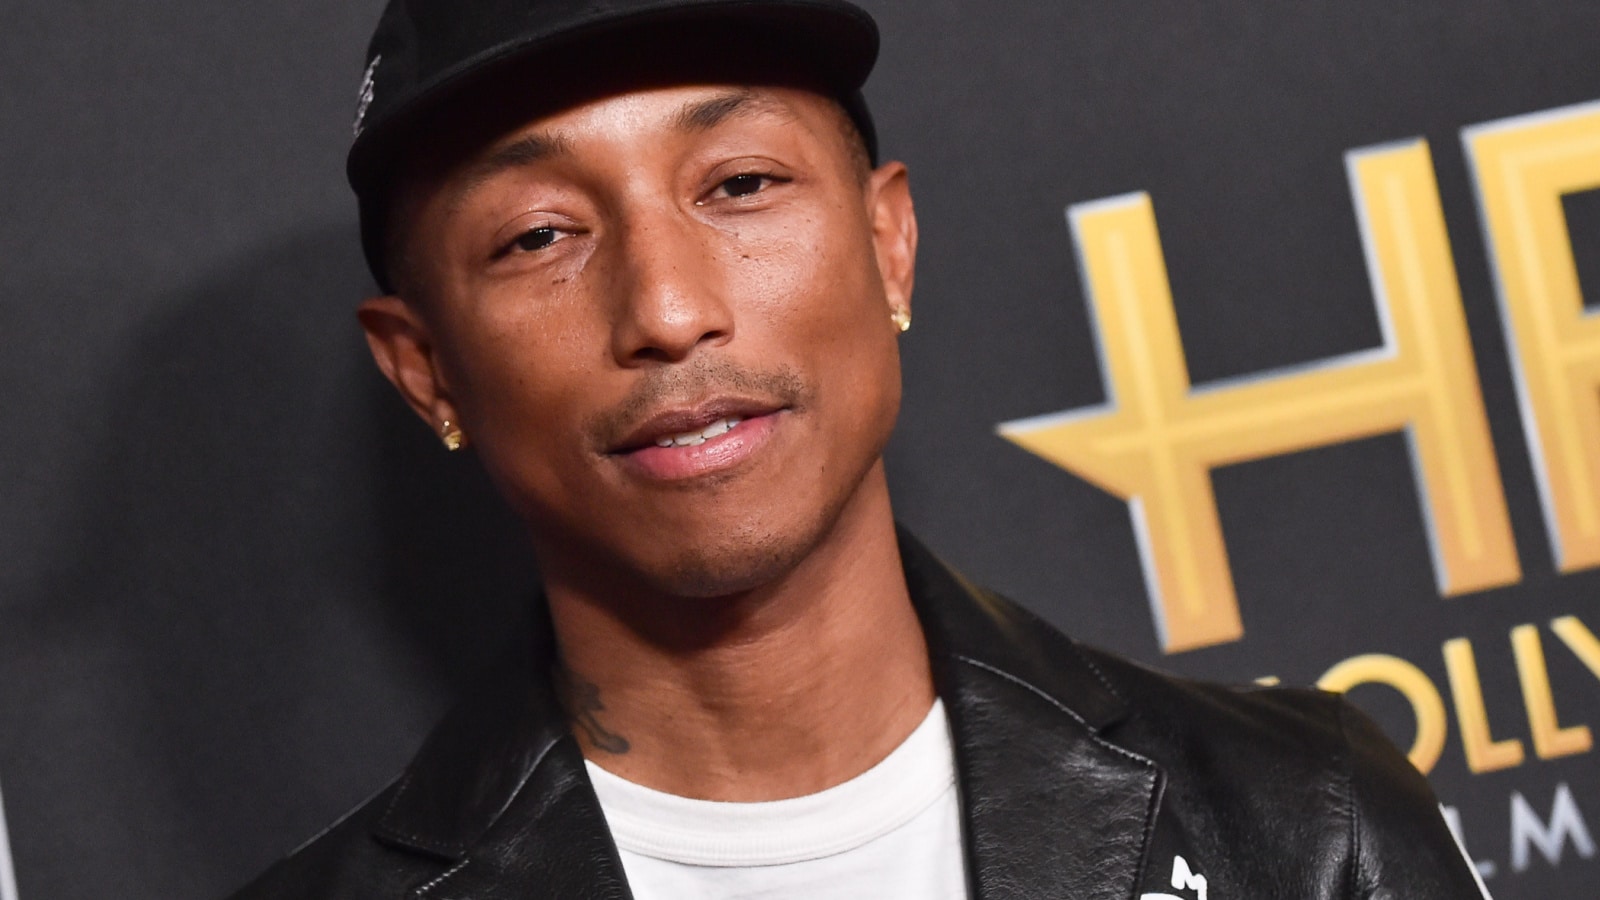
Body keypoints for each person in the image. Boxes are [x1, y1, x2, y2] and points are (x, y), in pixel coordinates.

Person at [231, 1, 1491, 897]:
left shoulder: (1302, 827)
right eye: (539, 236)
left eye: (738, 186)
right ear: (425, 367)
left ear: (889, 244)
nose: (669, 310)